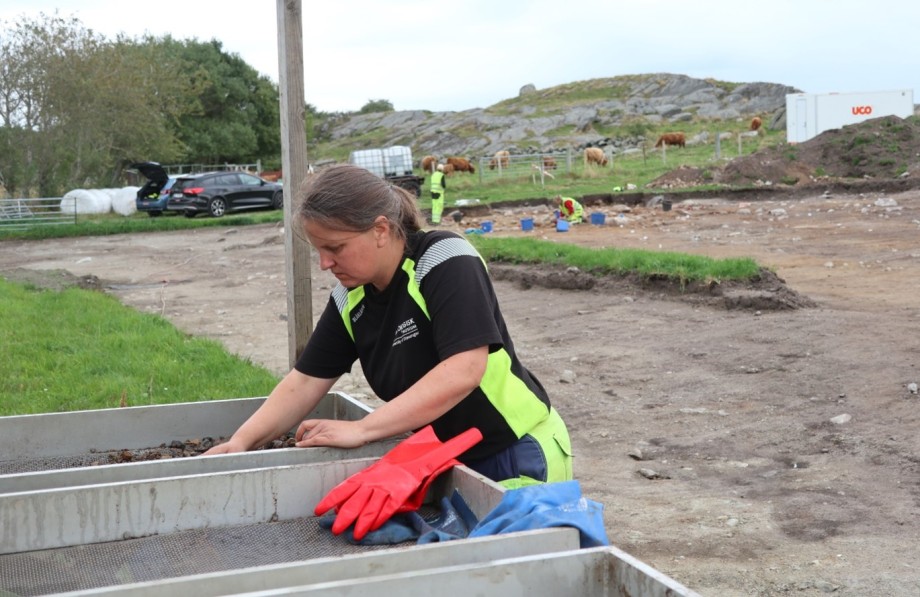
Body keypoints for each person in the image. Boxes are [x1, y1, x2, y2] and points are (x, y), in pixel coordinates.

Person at [204, 163, 573, 489]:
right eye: (319, 250)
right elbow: (303, 382)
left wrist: (362, 429)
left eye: (336, 248)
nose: (324, 264)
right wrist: (241, 443)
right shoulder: (351, 298)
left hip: (517, 452)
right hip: (444, 460)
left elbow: (464, 370)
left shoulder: (444, 258)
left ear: (380, 229)